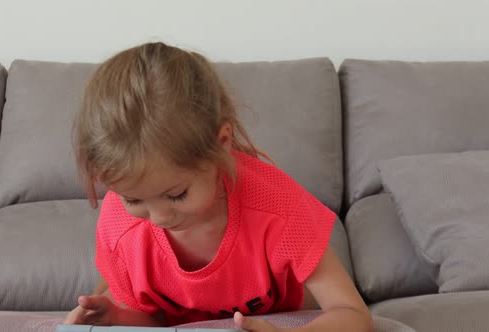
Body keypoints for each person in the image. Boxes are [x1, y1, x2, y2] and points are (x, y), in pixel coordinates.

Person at [65, 42, 373, 332]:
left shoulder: (277, 207)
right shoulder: (120, 227)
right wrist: (117, 317)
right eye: (133, 199)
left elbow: (354, 314)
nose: (158, 217)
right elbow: (153, 319)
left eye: (176, 194)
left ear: (222, 143)